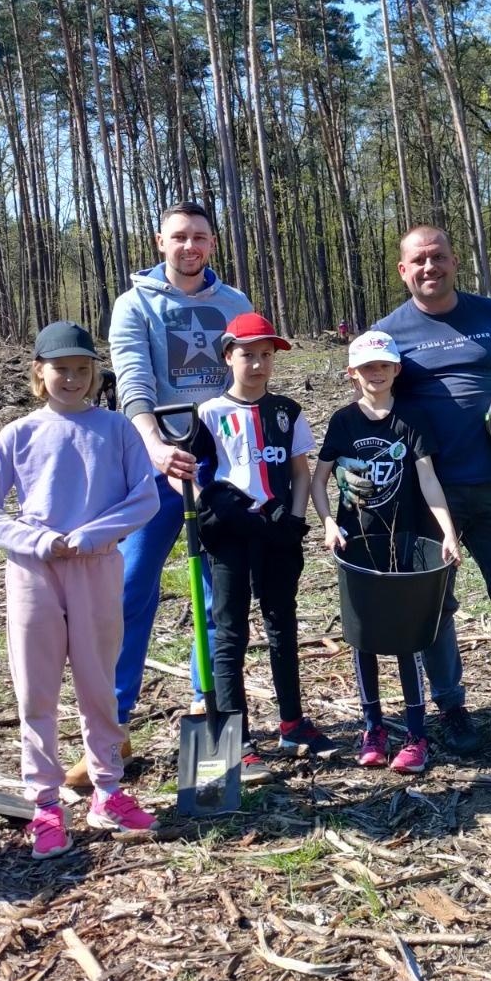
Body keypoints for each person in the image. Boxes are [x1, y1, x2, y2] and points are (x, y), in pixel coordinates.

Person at [70, 202, 251, 790]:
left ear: (213, 244)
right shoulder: (135, 304)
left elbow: (247, 381)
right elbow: (133, 379)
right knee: (130, 586)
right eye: (179, 237)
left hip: (221, 462)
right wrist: (154, 446)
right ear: (160, 242)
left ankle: (210, 704)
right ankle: (111, 727)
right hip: (153, 460)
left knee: (216, 591)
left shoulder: (234, 305)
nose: (189, 246)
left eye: (199, 237)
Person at [0, 322, 162, 858]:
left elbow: (143, 499)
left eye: (82, 369)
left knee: (99, 683)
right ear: (40, 372)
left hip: (97, 566)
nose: (72, 379)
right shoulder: (19, 434)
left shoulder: (117, 429)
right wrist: (37, 540)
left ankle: (107, 790)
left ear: (95, 374)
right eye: (61, 369)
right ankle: (46, 803)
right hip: (34, 570)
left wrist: (91, 534)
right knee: (36, 688)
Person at [374, 225, 491, 754]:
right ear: (403, 271)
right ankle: (453, 708)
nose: (429, 268)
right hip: (430, 496)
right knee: (436, 607)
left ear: (454, 260)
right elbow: (375, 404)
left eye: (438, 257)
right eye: (418, 260)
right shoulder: (389, 333)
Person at [309, 329, 462, 774]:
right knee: (363, 637)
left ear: (396, 370)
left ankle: (417, 735)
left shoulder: (411, 419)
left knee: (405, 637)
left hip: (406, 541)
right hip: (356, 543)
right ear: (352, 374)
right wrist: (328, 522)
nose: (376, 374)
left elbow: (428, 479)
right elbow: (319, 480)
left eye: (384, 366)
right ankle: (373, 727)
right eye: (366, 367)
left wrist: (447, 532)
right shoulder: (342, 422)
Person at [191, 312, 332, 774]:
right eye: (247, 355)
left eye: (266, 355)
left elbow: (298, 470)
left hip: (277, 531)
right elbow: (193, 473)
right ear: (228, 356)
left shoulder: (287, 411)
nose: (257, 364)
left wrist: (295, 520)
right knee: (230, 632)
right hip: (231, 536)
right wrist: (207, 510)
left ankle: (292, 722)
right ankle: (236, 738)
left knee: (282, 624)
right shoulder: (209, 414)